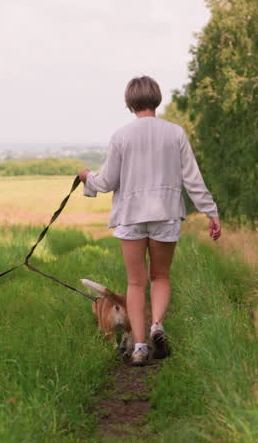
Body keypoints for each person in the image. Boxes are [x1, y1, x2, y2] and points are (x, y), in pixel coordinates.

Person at [78, 75, 221, 367]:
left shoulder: (121, 136)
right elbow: (193, 179)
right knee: (160, 277)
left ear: (129, 103)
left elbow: (106, 182)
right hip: (165, 214)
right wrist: (211, 212)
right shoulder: (175, 133)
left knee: (135, 282)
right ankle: (157, 324)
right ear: (157, 99)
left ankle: (140, 348)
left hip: (131, 216)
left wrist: (86, 178)